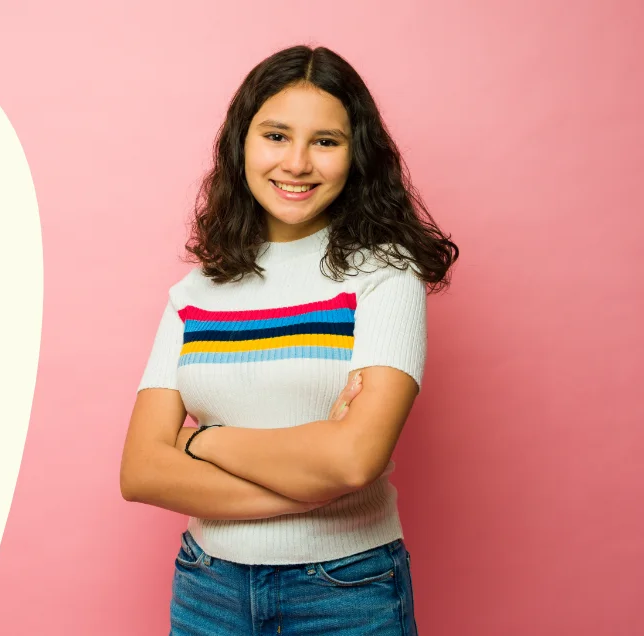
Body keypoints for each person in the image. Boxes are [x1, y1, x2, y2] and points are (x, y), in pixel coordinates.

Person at [119, 44, 459, 635]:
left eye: (325, 141)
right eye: (276, 135)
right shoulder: (197, 291)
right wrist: (310, 483)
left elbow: (353, 460)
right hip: (207, 591)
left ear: (356, 155)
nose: (297, 163)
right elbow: (142, 471)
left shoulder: (384, 274)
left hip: (345, 592)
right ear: (241, 144)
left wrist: (206, 442)